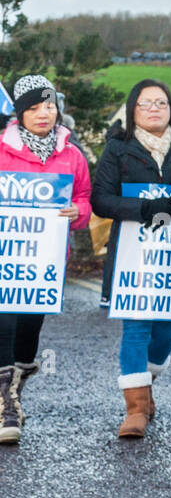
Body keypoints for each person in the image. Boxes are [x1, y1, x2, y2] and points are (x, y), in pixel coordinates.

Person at [92, 78, 171, 439]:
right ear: (133, 110)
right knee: (136, 324)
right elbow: (101, 199)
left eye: (161, 103)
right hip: (132, 250)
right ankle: (135, 410)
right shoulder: (118, 148)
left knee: (166, 328)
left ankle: (146, 385)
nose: (154, 109)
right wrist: (144, 208)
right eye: (145, 103)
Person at [0, 75, 92, 444]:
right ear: (20, 113)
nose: (43, 113)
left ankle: (13, 390)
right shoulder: (2, 149)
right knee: (4, 324)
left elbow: (85, 198)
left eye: (49, 106)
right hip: (6, 257)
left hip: (45, 263)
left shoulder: (71, 154)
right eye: (34, 107)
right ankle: (6, 405)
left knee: (28, 332)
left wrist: (78, 212)